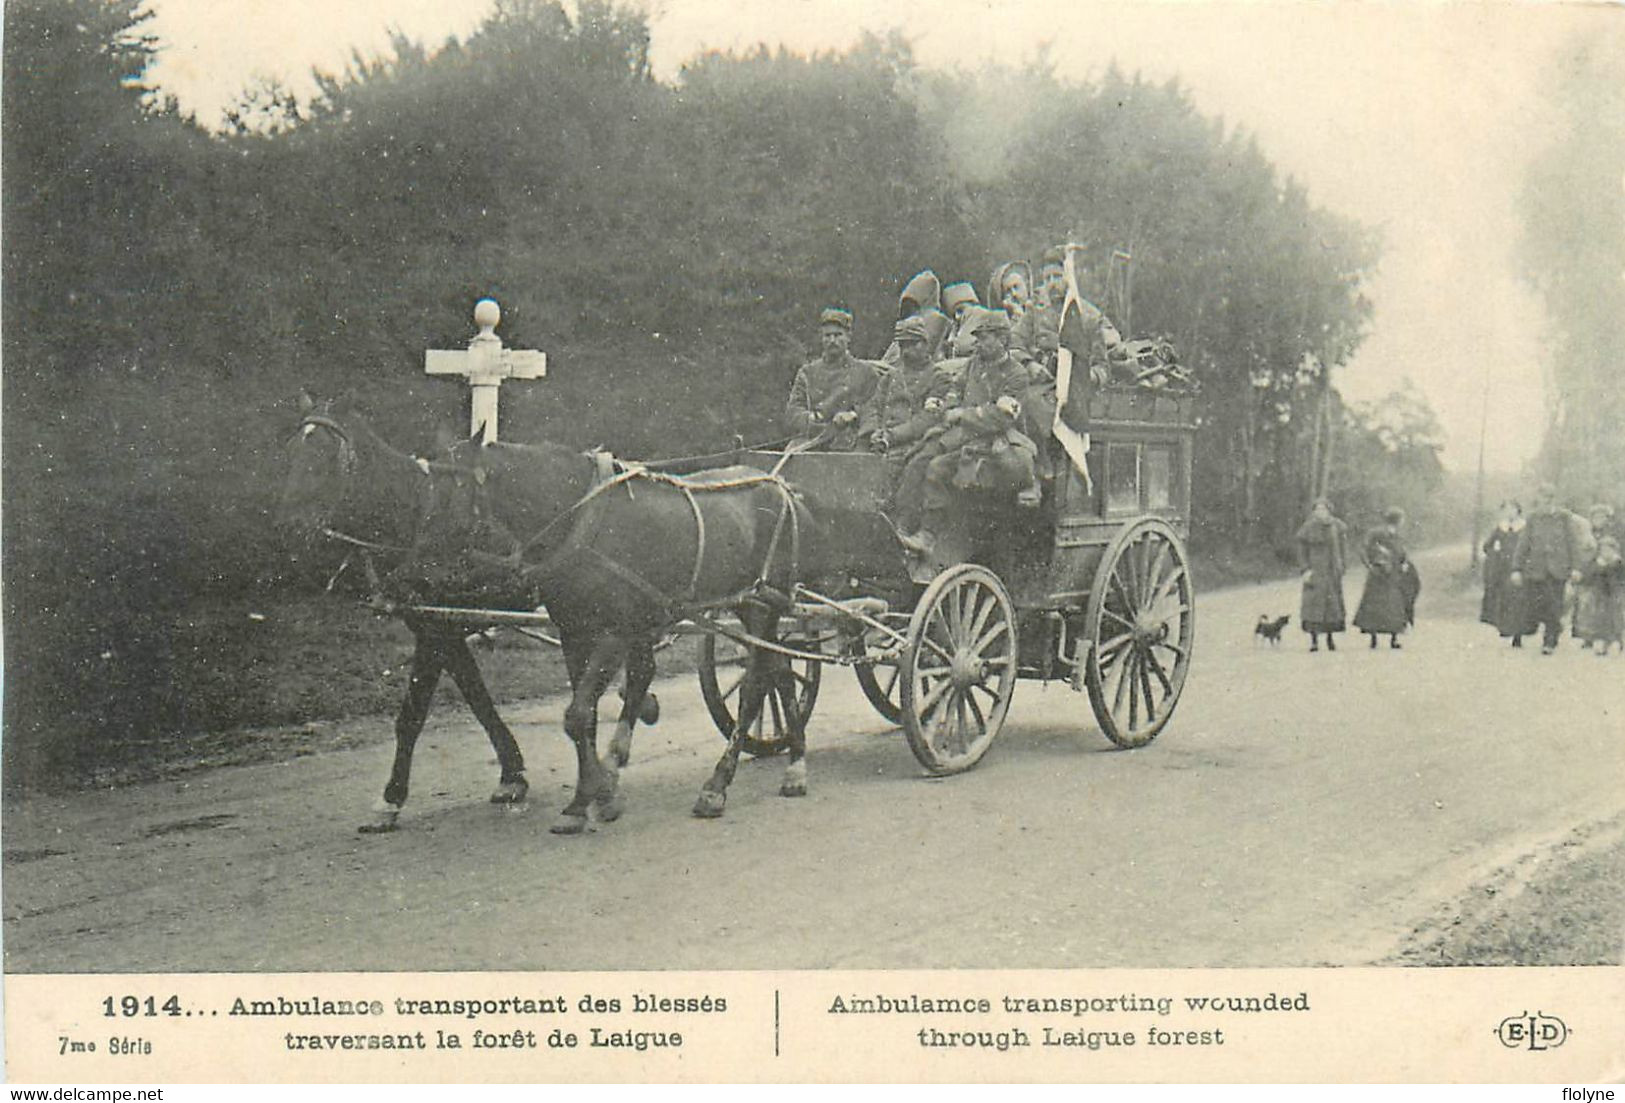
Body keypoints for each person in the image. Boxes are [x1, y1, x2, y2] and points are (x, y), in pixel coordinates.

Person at [898, 308, 1042, 560]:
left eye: (984, 338)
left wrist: (963, 415)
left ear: (1003, 340)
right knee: (919, 461)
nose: (978, 343)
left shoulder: (1016, 374)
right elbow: (955, 389)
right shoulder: (974, 364)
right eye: (977, 337)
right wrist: (951, 405)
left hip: (997, 445)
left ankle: (930, 535)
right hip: (964, 437)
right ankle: (916, 530)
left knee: (936, 469)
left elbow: (1001, 417)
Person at [860, 316, 953, 468]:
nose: (906, 351)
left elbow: (927, 418)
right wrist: (874, 431)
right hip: (880, 442)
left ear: (925, 343)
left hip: (913, 444)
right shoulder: (890, 377)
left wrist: (892, 435)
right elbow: (873, 406)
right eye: (903, 345)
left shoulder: (939, 378)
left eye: (912, 344)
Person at [784, 307, 879, 451]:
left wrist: (852, 415)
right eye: (827, 336)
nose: (832, 340)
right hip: (812, 442)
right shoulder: (807, 373)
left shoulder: (866, 373)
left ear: (849, 337)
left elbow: (874, 410)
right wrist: (814, 418)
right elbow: (793, 414)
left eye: (838, 335)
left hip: (852, 444)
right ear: (821, 338)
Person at [1510, 483, 1584, 655]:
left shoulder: (1565, 518)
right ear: (1539, 499)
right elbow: (1523, 544)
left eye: (1550, 498)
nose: (1547, 502)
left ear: (1555, 500)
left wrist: (1576, 568)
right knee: (1536, 605)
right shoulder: (1533, 518)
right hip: (1535, 570)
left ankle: (1549, 641)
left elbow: (1573, 543)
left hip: (1558, 570)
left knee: (1554, 605)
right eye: (1544, 498)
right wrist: (1516, 568)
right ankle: (1550, 629)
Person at [1354, 507, 1413, 649]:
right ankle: (1374, 638)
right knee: (1376, 604)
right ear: (1397, 520)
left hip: (1394, 574)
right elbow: (1364, 548)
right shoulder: (1376, 533)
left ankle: (1393, 637)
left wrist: (1404, 562)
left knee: (1393, 606)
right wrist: (1370, 565)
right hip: (1379, 573)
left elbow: (1402, 551)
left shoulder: (1398, 535)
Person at [1295, 497, 1349, 652]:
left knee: (1332, 606)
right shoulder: (1307, 528)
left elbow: (1343, 548)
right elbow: (1301, 550)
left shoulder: (1338, 526)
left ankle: (1330, 638)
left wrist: (1342, 565)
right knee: (1313, 606)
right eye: (1317, 509)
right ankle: (1314, 641)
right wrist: (1305, 569)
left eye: (1323, 509)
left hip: (1332, 572)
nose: (1320, 512)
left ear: (1329, 510)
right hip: (1315, 571)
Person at [1481, 500, 1535, 647]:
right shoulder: (1500, 528)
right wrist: (1496, 553)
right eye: (1506, 510)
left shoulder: (1525, 527)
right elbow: (1486, 546)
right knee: (1506, 599)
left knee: (1519, 600)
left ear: (1518, 511)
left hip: (1520, 568)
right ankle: (1507, 628)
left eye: (1512, 509)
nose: (1509, 513)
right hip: (1503, 570)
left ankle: (1518, 635)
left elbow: (1531, 546)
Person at [1573, 505, 1623, 654]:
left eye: (1602, 517)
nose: (1598, 520)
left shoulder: (1615, 533)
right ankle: (1590, 637)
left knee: (1614, 613)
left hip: (1613, 584)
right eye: (1595, 517)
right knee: (1589, 608)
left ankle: (1614, 639)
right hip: (1593, 577)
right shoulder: (1587, 533)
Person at [941, 281, 981, 358]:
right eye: (954, 314)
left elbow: (963, 346)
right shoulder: (955, 326)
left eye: (960, 310)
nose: (958, 316)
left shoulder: (977, 314)